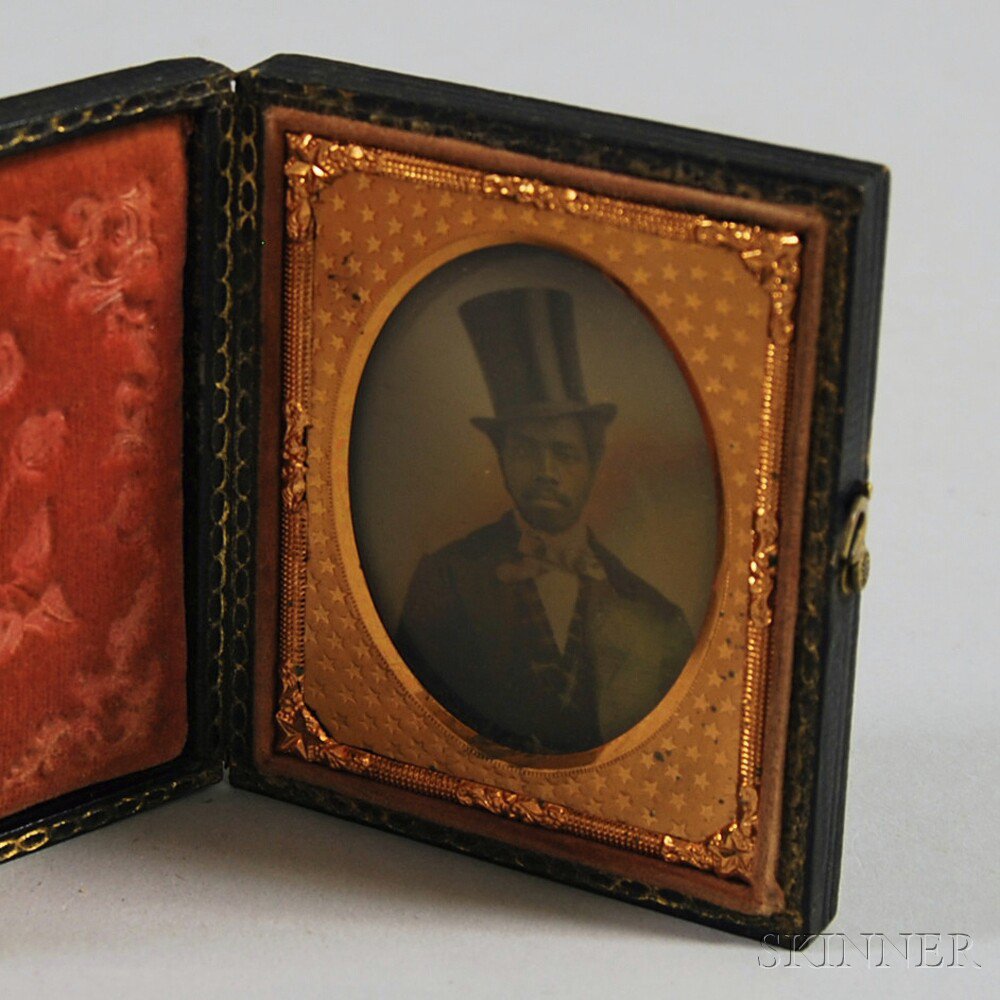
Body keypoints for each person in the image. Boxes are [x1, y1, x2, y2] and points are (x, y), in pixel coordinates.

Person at [395, 287, 693, 755]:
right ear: (502, 459)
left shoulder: (654, 616)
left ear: (594, 465)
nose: (547, 471)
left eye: (566, 454)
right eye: (527, 450)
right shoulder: (446, 578)